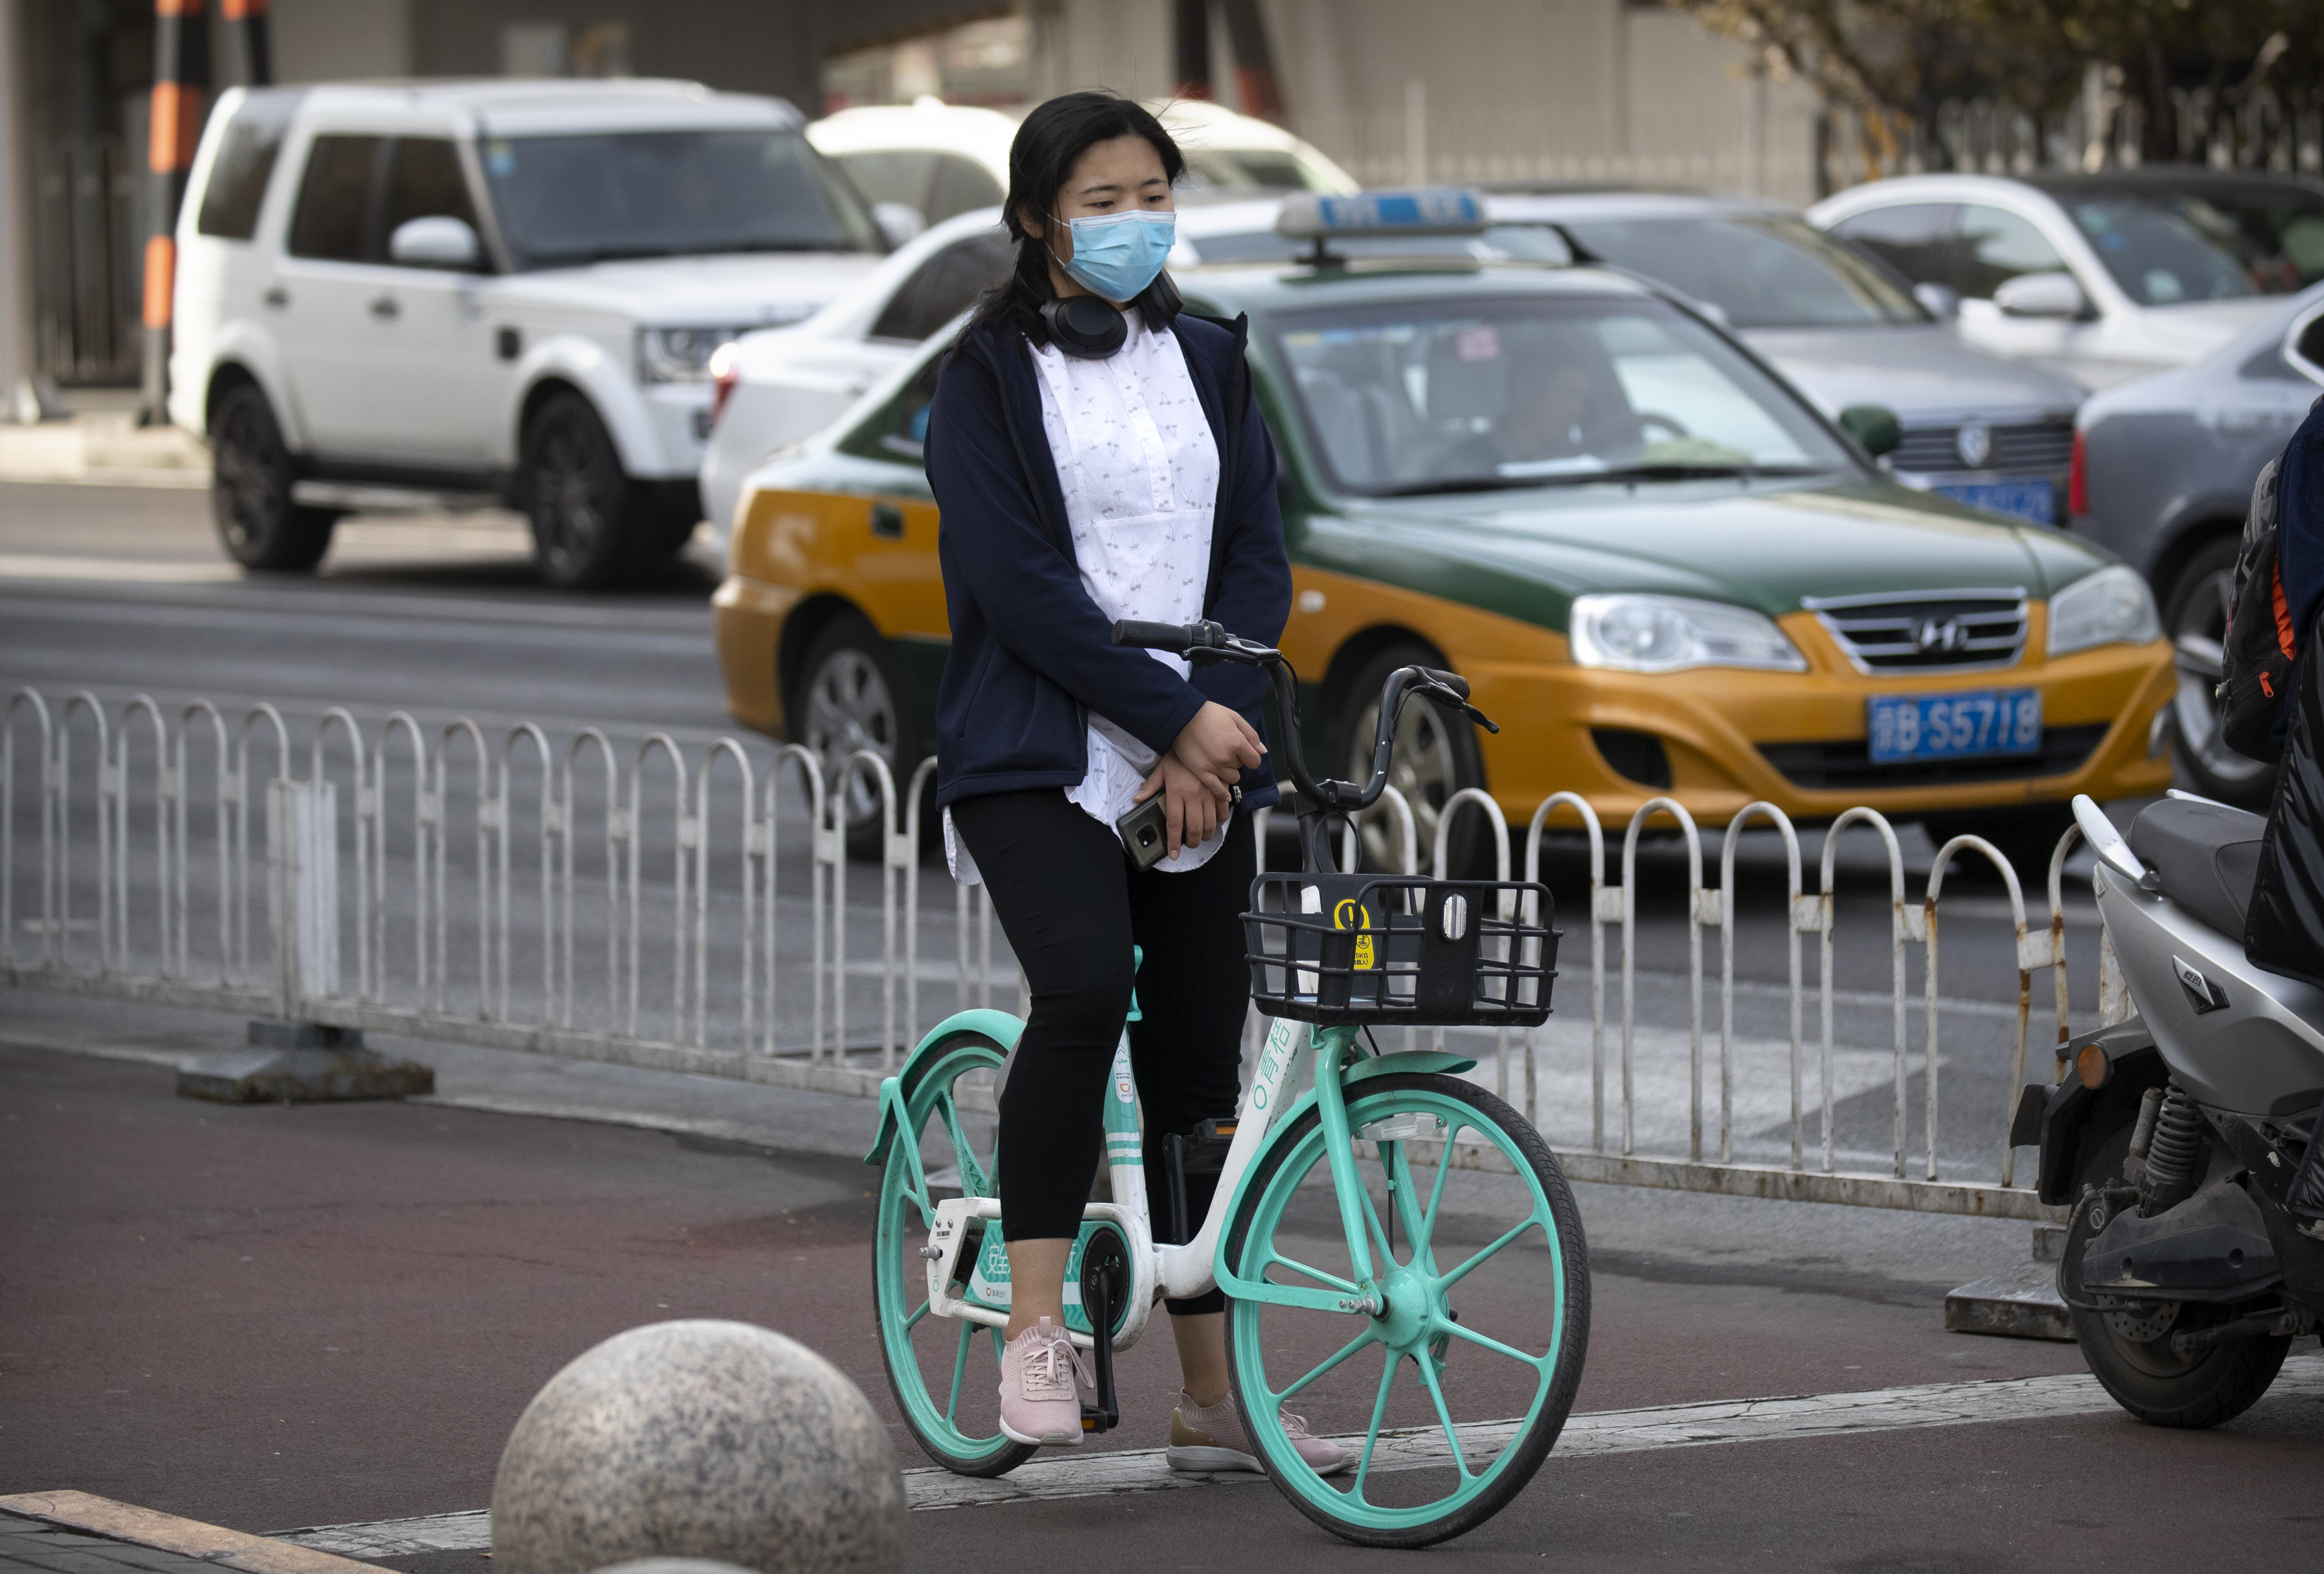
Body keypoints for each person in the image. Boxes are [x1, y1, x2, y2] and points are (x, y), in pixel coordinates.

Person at [922, 90, 1348, 1475]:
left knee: (1195, 1061)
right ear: (1040, 216)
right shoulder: (983, 377)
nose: (1132, 222)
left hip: (1195, 753)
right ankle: (1033, 1329)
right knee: (1090, 989)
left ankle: (1211, 1398)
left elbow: (1256, 552)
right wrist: (1174, 718)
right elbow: (1024, 591)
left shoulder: (1216, 355)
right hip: (1037, 753)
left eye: (1153, 194)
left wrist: (1214, 718)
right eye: (1100, 201)